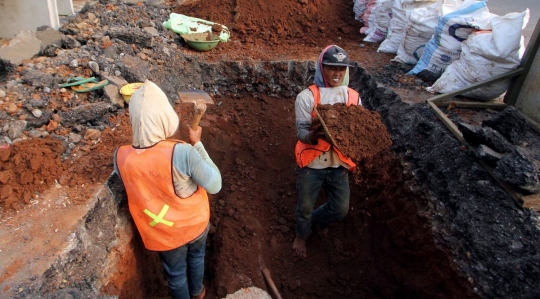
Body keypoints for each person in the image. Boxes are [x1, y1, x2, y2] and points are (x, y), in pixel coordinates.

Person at [114, 80, 221, 299]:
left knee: (175, 275)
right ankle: (198, 292)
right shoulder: (182, 152)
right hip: (194, 223)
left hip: (163, 232)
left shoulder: (120, 157)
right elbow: (215, 184)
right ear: (164, 117)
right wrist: (198, 145)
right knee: (196, 258)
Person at [293, 45, 361, 258]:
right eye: (332, 68)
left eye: (341, 69)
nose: (337, 73)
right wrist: (313, 136)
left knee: (340, 209)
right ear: (322, 69)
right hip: (312, 162)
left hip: (338, 163)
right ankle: (301, 235)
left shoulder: (353, 97)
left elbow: (361, 128)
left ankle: (312, 223)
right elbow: (302, 132)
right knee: (304, 205)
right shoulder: (307, 97)